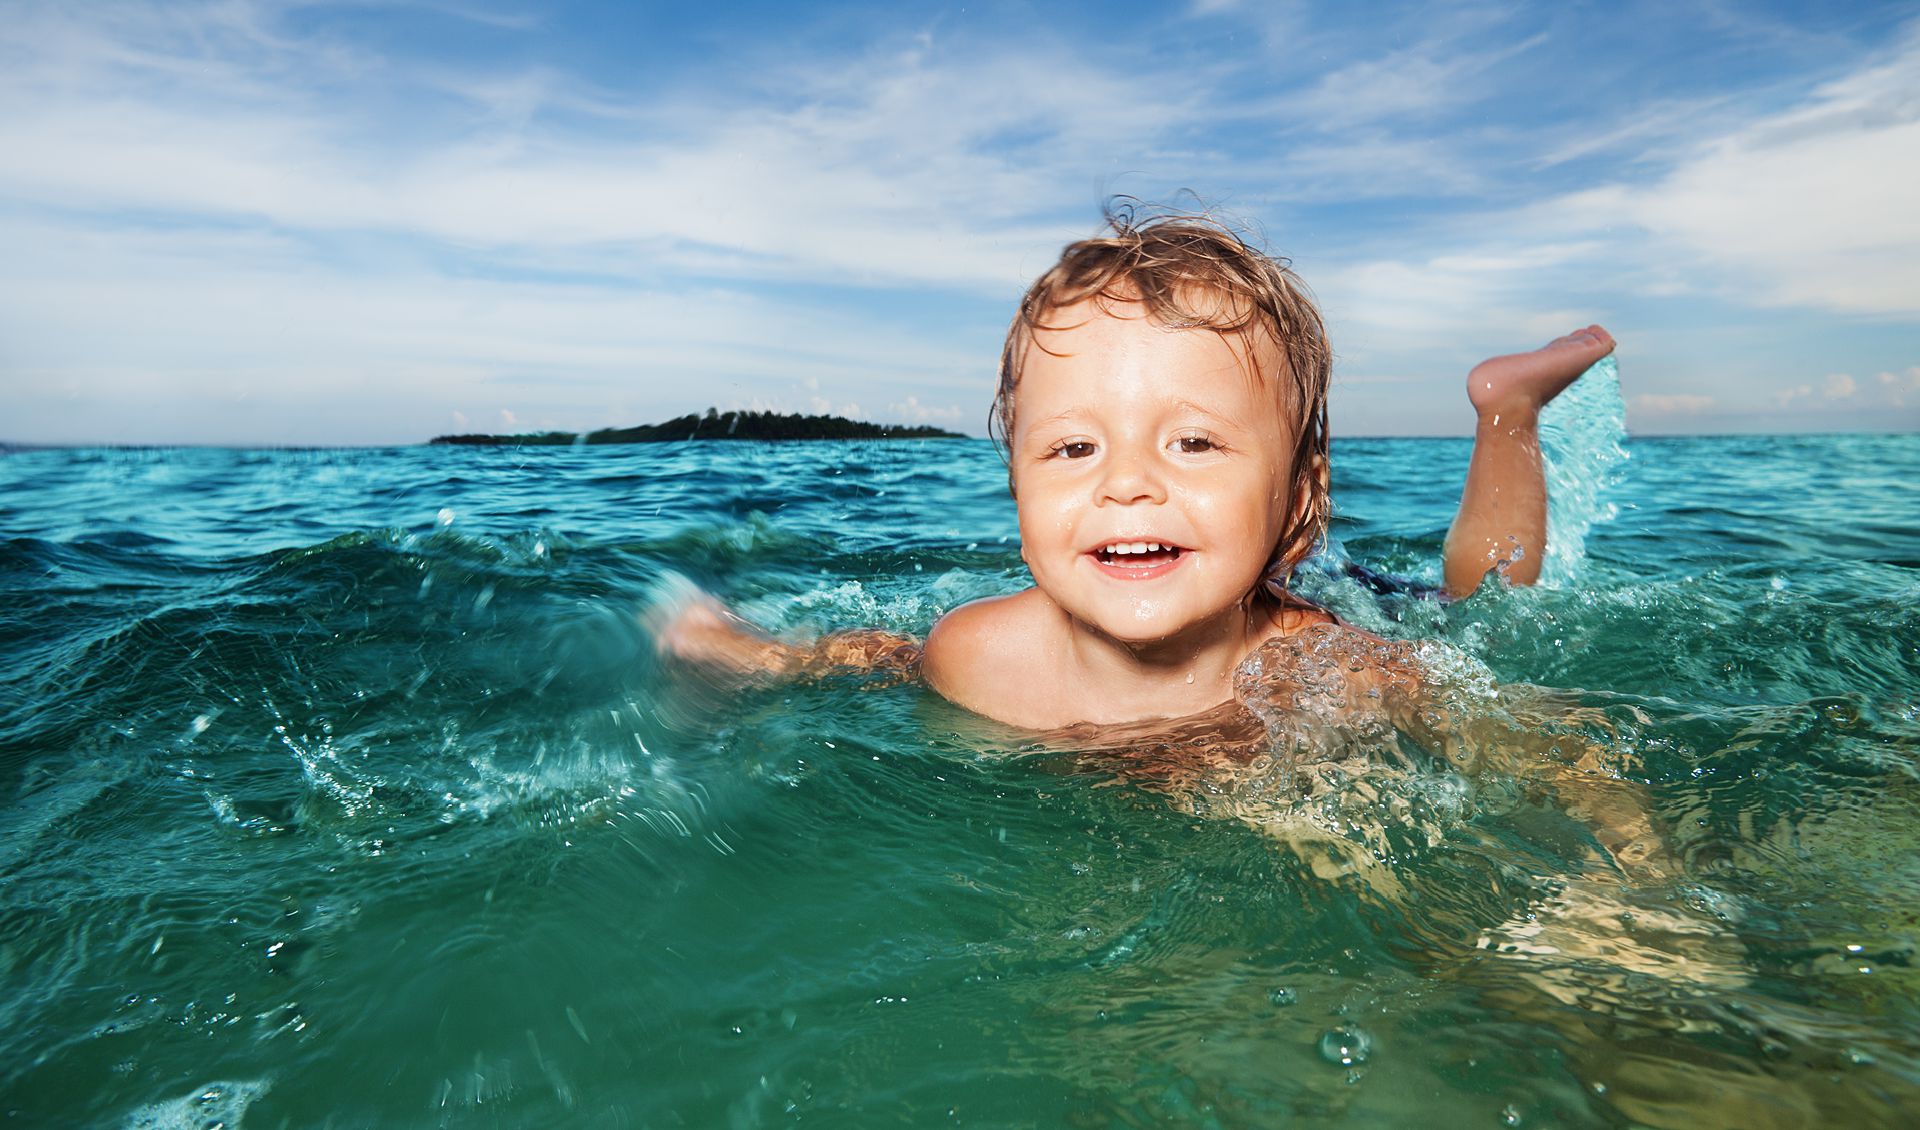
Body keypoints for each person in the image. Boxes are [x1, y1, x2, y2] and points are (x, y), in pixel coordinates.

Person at [659, 207, 1615, 735]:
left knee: (1479, 607)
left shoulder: (1342, 677)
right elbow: (882, 658)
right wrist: (771, 658)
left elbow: (1538, 743)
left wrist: (1632, 884)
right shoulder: (976, 658)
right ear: (1016, 490)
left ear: (1301, 493)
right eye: (1073, 448)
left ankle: (1506, 410)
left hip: (1343, 601)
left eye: (1192, 442)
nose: (1126, 485)